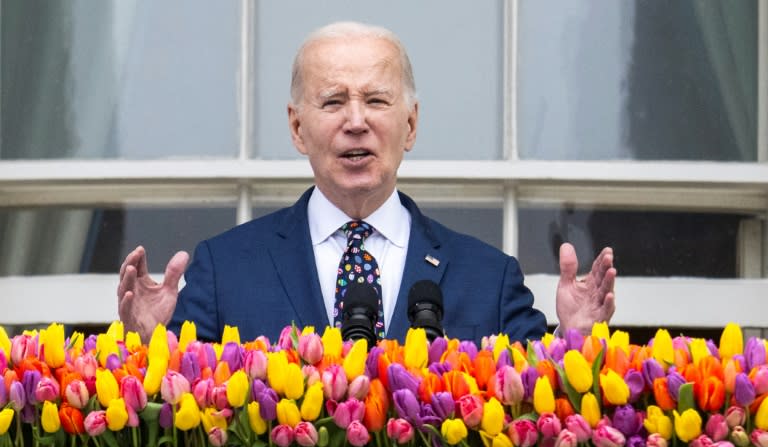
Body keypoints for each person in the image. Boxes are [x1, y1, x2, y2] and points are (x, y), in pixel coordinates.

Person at [118, 21, 616, 345]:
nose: (356, 121)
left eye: (376, 101)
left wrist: (577, 344)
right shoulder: (225, 270)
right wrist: (148, 349)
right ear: (297, 127)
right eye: (333, 102)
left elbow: (538, 429)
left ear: (411, 125)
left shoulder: (489, 278)